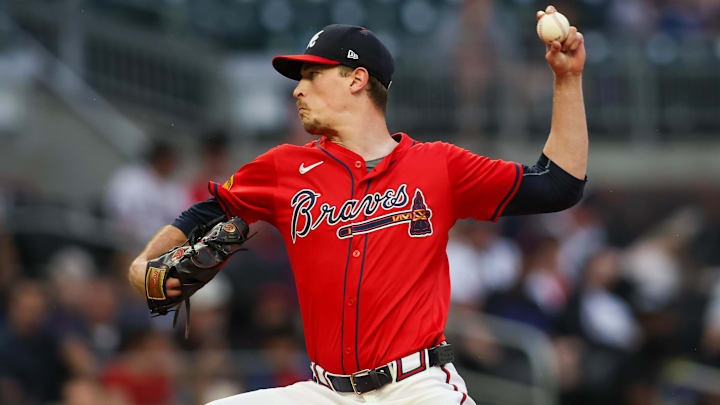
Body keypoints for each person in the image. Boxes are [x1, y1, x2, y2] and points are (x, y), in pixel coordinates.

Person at [128, 5, 587, 404]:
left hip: (415, 387)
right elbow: (205, 212)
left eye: (312, 74)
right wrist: (142, 265)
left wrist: (567, 80)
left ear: (356, 79)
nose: (297, 89)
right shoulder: (283, 167)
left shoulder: (437, 166)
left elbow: (558, 185)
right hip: (324, 392)